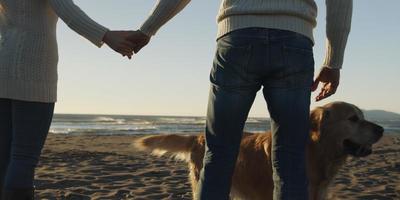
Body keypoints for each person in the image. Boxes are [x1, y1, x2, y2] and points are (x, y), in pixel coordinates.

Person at [130, 0, 353, 199]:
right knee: (291, 157)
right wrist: (333, 62)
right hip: (294, 41)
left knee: (219, 153)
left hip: (238, 37)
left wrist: (147, 30)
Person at [0, 0, 135, 199]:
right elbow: (67, 10)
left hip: (4, 64)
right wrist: (107, 36)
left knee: (4, 155)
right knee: (23, 157)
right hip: (34, 72)